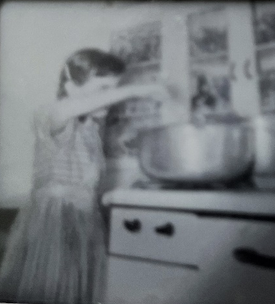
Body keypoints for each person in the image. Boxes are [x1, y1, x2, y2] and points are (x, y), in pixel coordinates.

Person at [0, 48, 170, 304]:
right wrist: (136, 89)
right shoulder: (49, 115)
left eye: (114, 89)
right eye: (103, 89)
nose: (110, 99)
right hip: (54, 223)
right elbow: (69, 110)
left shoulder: (91, 126)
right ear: (70, 88)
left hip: (86, 220)